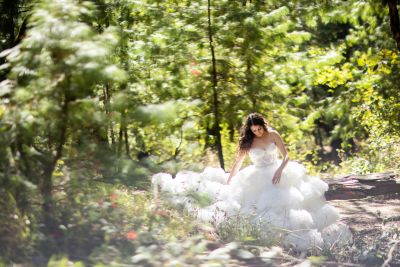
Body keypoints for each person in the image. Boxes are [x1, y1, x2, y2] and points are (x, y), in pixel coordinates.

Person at [152, 113, 352, 251]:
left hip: (279, 171)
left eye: (259, 129)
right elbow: (237, 164)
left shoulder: (273, 134)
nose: (257, 133)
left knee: (292, 199)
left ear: (264, 125)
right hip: (256, 175)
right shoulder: (248, 143)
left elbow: (286, 155)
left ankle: (295, 232)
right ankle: (270, 235)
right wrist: (229, 183)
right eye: (254, 130)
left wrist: (281, 170)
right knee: (256, 205)